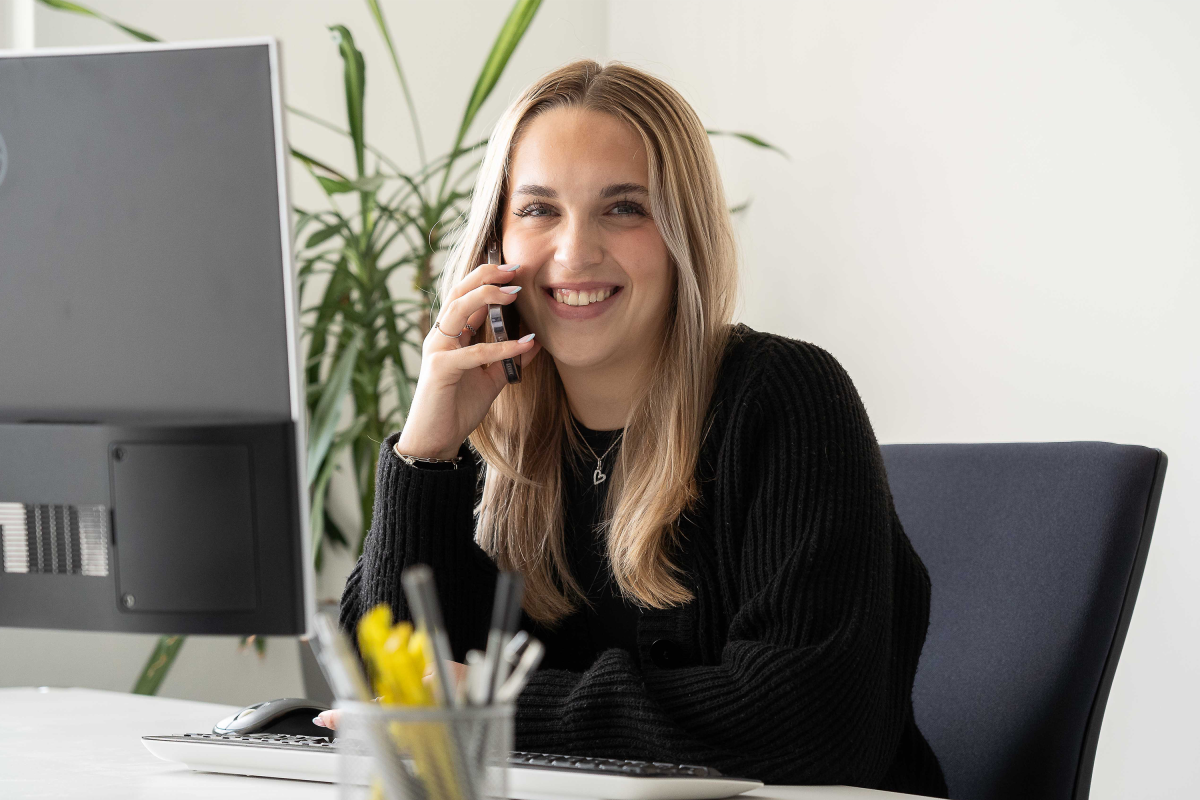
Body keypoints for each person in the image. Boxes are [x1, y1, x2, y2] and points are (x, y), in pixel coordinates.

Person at [320, 58, 947, 797]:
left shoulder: (784, 399)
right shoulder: (495, 439)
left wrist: (500, 706)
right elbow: (390, 688)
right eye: (538, 209)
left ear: (684, 234)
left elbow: (808, 726)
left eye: (624, 208)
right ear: (494, 246)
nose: (575, 250)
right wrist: (426, 455)